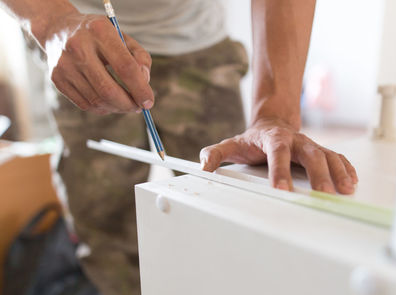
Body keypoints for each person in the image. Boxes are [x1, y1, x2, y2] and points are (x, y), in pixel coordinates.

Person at [1, 0, 358, 294]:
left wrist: (276, 114)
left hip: (198, 44)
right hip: (80, 48)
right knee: (107, 242)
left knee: (232, 218)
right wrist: (50, 19)